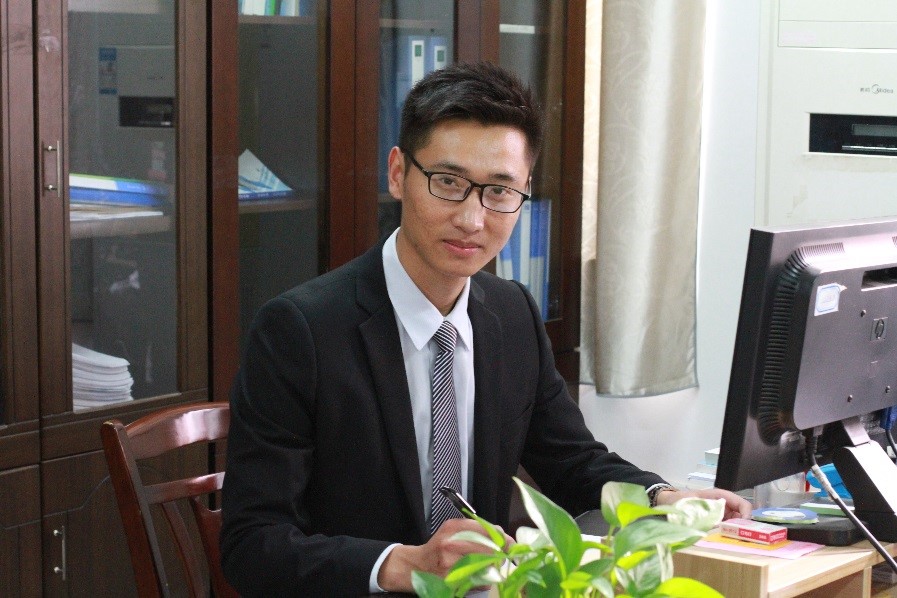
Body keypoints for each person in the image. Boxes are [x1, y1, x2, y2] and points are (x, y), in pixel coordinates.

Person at [220, 61, 751, 596]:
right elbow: (252, 544)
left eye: (499, 191)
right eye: (449, 183)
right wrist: (404, 565)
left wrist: (663, 497)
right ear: (398, 173)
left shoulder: (511, 313)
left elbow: (572, 461)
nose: (473, 220)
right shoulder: (300, 331)